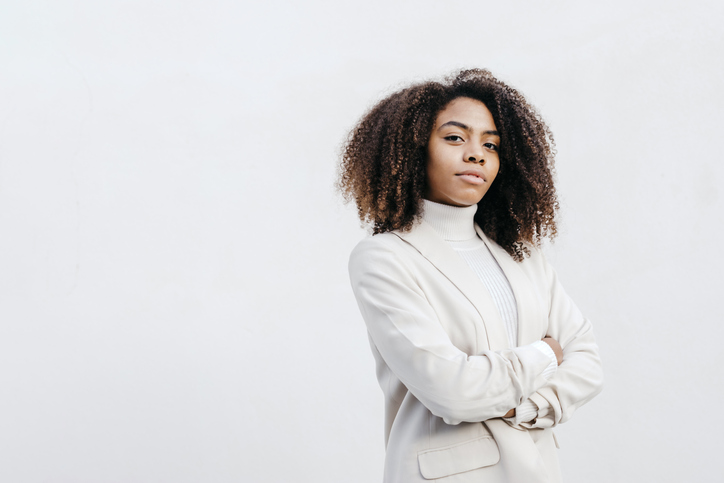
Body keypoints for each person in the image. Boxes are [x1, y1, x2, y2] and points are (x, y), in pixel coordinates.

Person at [338, 69, 604, 483]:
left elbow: (587, 361)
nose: (476, 154)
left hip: (537, 470)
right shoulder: (384, 258)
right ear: (413, 150)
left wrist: (526, 407)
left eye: (491, 144)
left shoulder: (522, 255)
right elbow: (451, 390)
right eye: (455, 138)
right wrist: (546, 356)